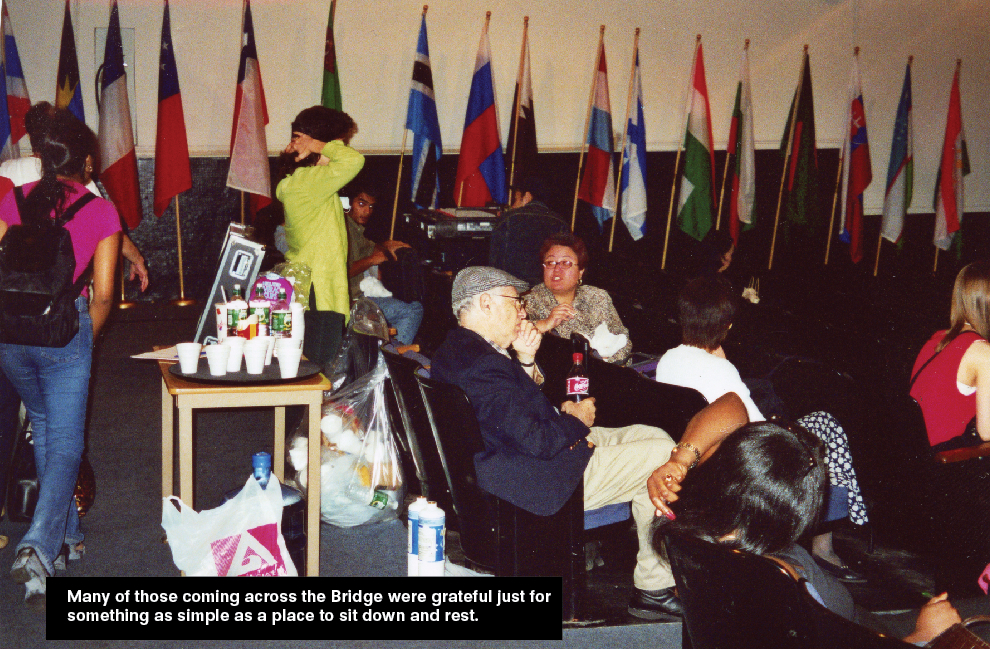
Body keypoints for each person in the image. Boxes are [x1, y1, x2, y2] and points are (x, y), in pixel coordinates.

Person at [431, 266, 748, 619]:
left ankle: (654, 573)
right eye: (515, 301)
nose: (523, 310)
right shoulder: (483, 364)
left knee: (653, 435)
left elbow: (507, 412)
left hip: (514, 456)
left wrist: (524, 359)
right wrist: (575, 419)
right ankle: (654, 587)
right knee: (663, 455)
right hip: (539, 475)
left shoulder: (459, 350)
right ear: (486, 303)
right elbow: (539, 441)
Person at [652, 421, 969, 646]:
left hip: (860, 626)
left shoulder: (692, 534)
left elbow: (730, 405)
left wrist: (681, 459)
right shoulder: (780, 578)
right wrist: (927, 635)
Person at [656, 276, 868, 581]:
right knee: (826, 423)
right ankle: (827, 538)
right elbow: (757, 428)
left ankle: (825, 539)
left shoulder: (669, 359)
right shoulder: (721, 369)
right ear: (727, 325)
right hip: (744, 461)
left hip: (704, 454)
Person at [0, 110, 122, 606]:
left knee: (47, 426)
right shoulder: (102, 212)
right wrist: (77, 341)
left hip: (9, 334)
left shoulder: (13, 199)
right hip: (64, 332)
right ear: (88, 163)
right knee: (67, 441)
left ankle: (67, 537)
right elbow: (106, 295)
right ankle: (37, 546)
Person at [0, 101, 148, 292]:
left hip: (15, 299)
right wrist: (136, 258)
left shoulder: (5, 170)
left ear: (28, 134)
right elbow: (108, 230)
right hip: (67, 298)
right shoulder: (80, 181)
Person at [276, 106, 364, 317]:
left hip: (313, 282)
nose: (338, 150)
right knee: (323, 348)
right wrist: (315, 145)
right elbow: (354, 160)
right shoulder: (309, 182)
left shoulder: (301, 182)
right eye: (336, 146)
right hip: (318, 287)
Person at [911, 261, 990, 451]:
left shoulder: (935, 341)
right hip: (942, 465)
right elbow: (987, 432)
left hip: (913, 458)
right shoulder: (983, 352)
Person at [524, 233, 632, 364]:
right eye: (550, 262)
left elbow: (622, 337)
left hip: (607, 369)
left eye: (566, 263)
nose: (557, 269)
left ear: (580, 271)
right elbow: (514, 336)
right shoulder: (528, 301)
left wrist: (603, 363)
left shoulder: (597, 296)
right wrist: (546, 323)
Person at [343, 182, 423, 345]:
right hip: (350, 303)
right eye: (361, 204)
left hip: (359, 298)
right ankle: (389, 357)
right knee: (413, 310)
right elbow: (342, 272)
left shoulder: (355, 228)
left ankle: (385, 354)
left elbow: (369, 246)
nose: (367, 211)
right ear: (349, 203)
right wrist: (372, 260)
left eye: (371, 206)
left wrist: (385, 245)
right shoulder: (344, 229)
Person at [488, 175, 568, 286]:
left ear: (527, 197)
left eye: (515, 199)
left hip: (511, 289)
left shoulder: (507, 219)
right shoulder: (561, 222)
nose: (513, 205)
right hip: (546, 290)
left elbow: (493, 263)